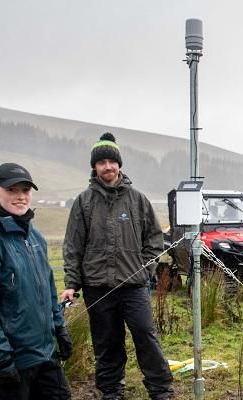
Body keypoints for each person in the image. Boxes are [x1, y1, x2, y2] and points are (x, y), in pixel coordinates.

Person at [60, 133, 173, 400]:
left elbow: (155, 239)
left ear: (119, 164)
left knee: (146, 336)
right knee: (106, 342)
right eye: (102, 163)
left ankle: (161, 389)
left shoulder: (137, 199)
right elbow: (73, 245)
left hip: (134, 286)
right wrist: (71, 284)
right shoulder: (83, 202)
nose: (108, 167)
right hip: (97, 288)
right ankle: (111, 390)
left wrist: (145, 269)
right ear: (94, 167)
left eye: (112, 161)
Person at [0, 162, 72, 400]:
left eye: (25, 190)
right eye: (12, 190)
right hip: (12, 361)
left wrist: (59, 328)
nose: (20, 197)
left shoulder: (34, 236)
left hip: (46, 354)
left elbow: (48, 289)